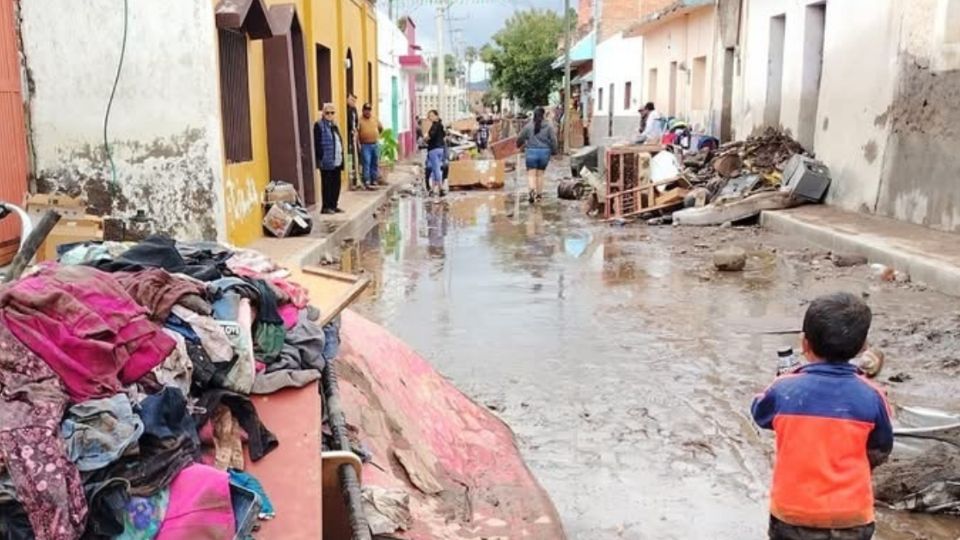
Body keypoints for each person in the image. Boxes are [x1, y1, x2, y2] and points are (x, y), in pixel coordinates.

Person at [752, 292, 893, 540]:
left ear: (804, 344)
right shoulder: (872, 395)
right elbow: (882, 446)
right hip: (851, 518)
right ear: (862, 347)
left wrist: (784, 378)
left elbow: (759, 413)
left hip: (792, 516)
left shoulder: (784, 389)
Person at [516, 107, 557, 204]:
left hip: (531, 152)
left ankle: (532, 191)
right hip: (544, 153)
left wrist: (518, 144)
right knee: (540, 174)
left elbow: (520, 137)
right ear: (543, 115)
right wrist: (554, 150)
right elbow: (553, 140)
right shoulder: (549, 126)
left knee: (531, 174)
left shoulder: (528, 126)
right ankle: (538, 195)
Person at [313, 103, 345, 215]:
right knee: (327, 185)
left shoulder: (334, 125)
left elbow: (338, 141)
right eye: (327, 113)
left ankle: (333, 205)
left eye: (332, 113)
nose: (330, 115)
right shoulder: (319, 125)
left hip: (336, 159)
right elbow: (317, 143)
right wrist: (320, 157)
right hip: (326, 161)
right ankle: (326, 207)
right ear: (323, 113)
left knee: (336, 184)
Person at [358, 103, 383, 190]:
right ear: (363, 111)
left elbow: (380, 128)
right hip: (365, 145)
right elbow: (357, 132)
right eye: (366, 110)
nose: (368, 112)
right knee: (366, 163)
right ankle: (367, 181)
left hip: (375, 144)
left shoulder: (375, 119)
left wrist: (375, 135)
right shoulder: (360, 120)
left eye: (369, 110)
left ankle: (374, 180)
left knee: (375, 163)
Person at [425, 109, 446, 198]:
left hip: (434, 149)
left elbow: (431, 136)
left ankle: (441, 189)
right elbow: (444, 135)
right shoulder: (441, 125)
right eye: (429, 116)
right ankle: (433, 189)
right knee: (434, 170)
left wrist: (426, 138)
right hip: (440, 149)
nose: (430, 117)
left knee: (436, 169)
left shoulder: (435, 125)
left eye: (431, 115)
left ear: (436, 116)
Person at [346, 94, 361, 188]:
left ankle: (357, 179)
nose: (353, 102)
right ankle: (350, 180)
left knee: (356, 158)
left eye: (354, 101)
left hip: (354, 137)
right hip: (348, 139)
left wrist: (356, 131)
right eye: (351, 100)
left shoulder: (354, 110)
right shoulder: (346, 111)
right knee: (349, 158)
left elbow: (356, 123)